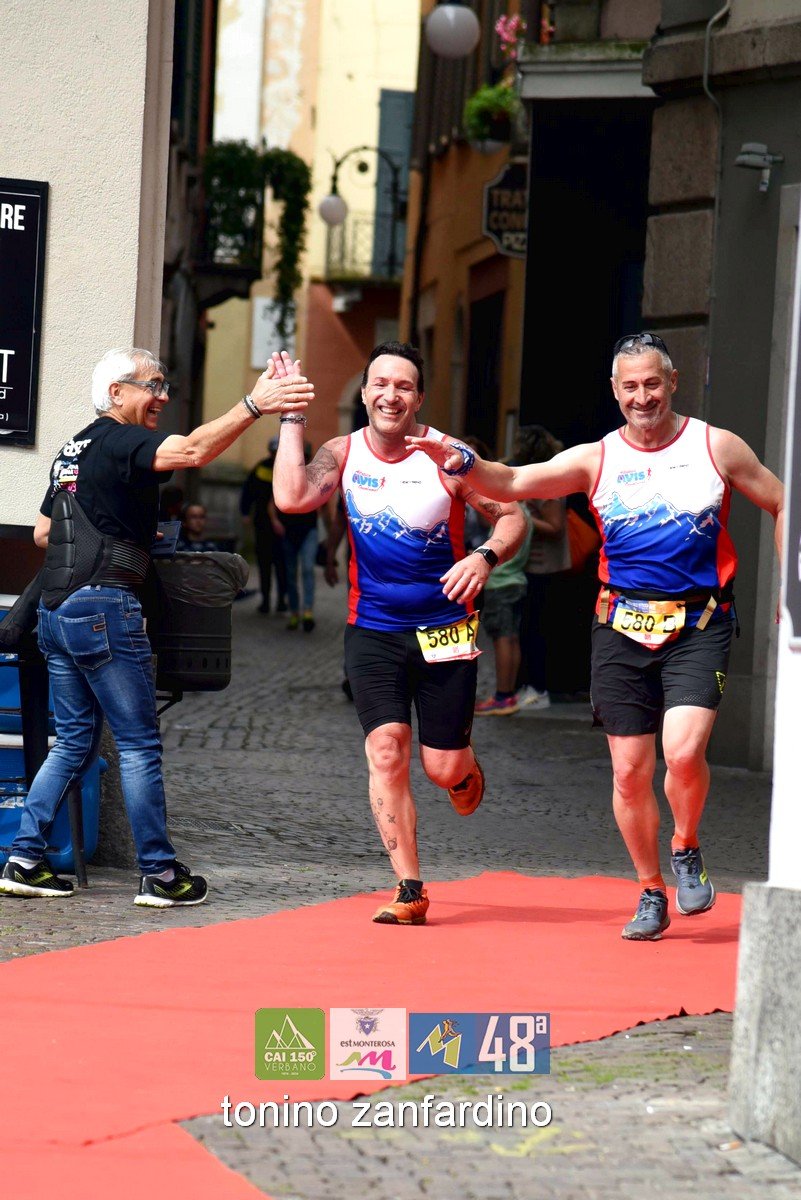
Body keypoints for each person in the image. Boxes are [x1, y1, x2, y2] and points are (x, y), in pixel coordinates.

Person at [407, 332, 784, 941]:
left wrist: (791, 591)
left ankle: (685, 844)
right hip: (620, 627)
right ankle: (651, 889)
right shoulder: (595, 458)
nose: (643, 397)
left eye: (653, 383)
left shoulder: (717, 446)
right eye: (630, 386)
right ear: (614, 390)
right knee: (630, 772)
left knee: (682, 752)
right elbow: (512, 481)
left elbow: (783, 502)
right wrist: (462, 460)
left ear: (673, 382)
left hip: (699, 623)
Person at [0, 346, 312, 905]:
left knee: (72, 744)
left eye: (166, 385)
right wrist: (254, 404)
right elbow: (192, 450)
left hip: (58, 612)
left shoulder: (73, 449)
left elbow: (45, 534)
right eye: (154, 385)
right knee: (140, 745)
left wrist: (119, 528)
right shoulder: (121, 440)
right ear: (116, 392)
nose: (163, 396)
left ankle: (23, 860)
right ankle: (160, 873)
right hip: (104, 609)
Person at [273, 341, 527, 926]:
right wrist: (291, 417)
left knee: (441, 768)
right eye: (381, 384)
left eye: (404, 386)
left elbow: (513, 515)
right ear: (365, 393)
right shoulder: (343, 452)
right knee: (386, 749)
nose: (391, 395)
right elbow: (291, 497)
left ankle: (463, 769)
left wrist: (484, 557)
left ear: (419, 398)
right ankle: (410, 887)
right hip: (374, 630)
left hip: (445, 631)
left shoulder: (446, 456)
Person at [474, 503, 533, 715]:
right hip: (517, 580)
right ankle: (508, 694)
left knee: (502, 639)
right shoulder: (525, 513)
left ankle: (503, 696)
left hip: (501, 582)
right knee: (511, 638)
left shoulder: (509, 514)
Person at [269, 443, 319, 632]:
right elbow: (271, 503)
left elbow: (324, 507)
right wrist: (275, 521)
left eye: (305, 456)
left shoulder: (315, 476)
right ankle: (294, 613)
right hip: (288, 531)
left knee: (307, 569)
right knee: (290, 573)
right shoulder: (284, 474)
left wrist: (330, 535)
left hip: (309, 531)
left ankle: (308, 611)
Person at [240, 436, 288, 614]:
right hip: (262, 523)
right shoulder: (261, 469)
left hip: (283, 525)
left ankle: (282, 600)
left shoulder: (289, 468)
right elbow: (248, 491)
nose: (276, 455)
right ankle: (266, 600)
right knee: (264, 563)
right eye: (274, 452)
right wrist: (245, 512)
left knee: (282, 564)